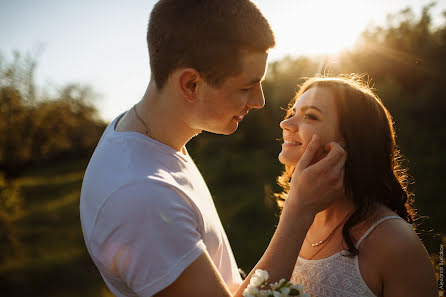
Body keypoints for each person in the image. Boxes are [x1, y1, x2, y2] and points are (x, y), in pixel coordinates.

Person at [79, 1, 346, 297]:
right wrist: (299, 210)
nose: (259, 101)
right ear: (191, 84)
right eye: (246, 86)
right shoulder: (142, 200)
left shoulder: (149, 137)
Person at [276, 75, 438, 297]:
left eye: (310, 116)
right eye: (292, 113)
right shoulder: (299, 216)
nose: (285, 124)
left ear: (351, 141)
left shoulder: (396, 243)